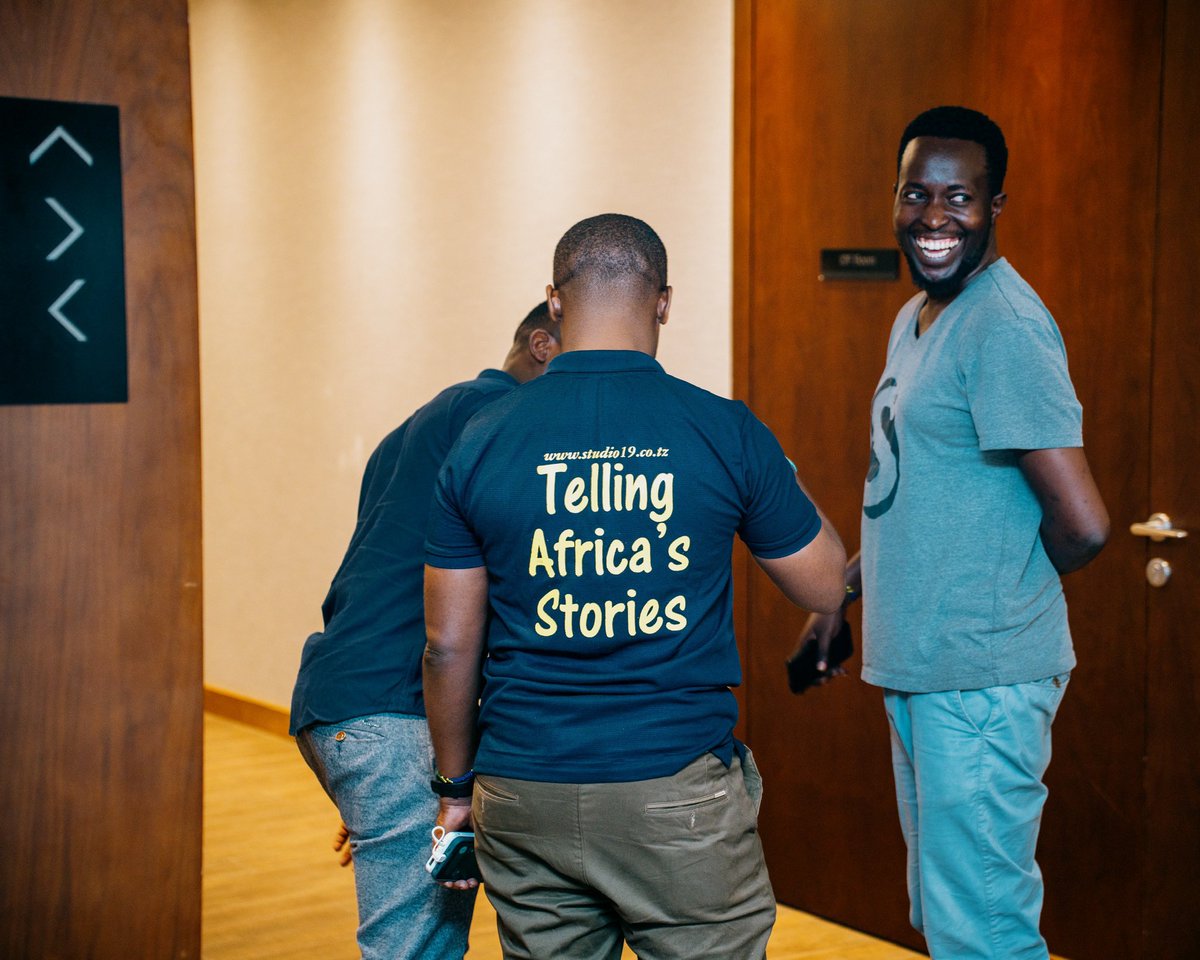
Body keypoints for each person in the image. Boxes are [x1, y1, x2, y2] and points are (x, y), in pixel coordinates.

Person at [421, 213, 847, 959]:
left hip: (522, 791)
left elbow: (447, 646)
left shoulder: (482, 437)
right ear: (664, 302)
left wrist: (455, 790)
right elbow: (823, 584)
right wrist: (774, 472)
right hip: (673, 793)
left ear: (555, 301)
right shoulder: (723, 429)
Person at [799, 106, 1110, 960]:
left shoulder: (1004, 326)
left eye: (959, 198)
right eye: (916, 194)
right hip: (925, 668)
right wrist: (846, 591)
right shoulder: (918, 317)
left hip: (978, 678)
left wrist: (991, 597)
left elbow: (1083, 526)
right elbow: (922, 500)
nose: (934, 218)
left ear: (995, 205)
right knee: (947, 921)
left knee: (984, 934)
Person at [289, 303, 561, 960]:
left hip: (340, 705)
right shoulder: (501, 424)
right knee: (417, 950)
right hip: (396, 716)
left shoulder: (420, 425)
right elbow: (489, 608)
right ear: (543, 345)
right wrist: (428, 784)